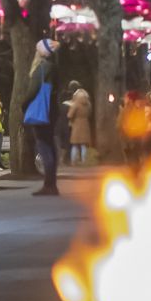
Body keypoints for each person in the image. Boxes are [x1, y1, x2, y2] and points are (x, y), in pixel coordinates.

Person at [22, 38, 62, 195]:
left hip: (41, 112)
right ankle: (52, 183)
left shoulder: (42, 68)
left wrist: (24, 105)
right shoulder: (55, 68)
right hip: (52, 111)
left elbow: (33, 91)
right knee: (51, 146)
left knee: (44, 147)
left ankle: (49, 184)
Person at [65, 81, 93, 165]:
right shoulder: (88, 103)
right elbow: (90, 112)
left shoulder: (76, 103)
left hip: (76, 124)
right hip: (85, 123)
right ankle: (84, 161)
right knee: (83, 145)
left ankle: (74, 161)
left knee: (75, 144)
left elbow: (69, 115)